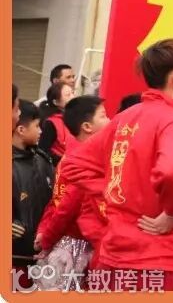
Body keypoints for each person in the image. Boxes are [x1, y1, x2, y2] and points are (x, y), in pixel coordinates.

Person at [60, 39, 173, 291]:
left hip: (113, 256)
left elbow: (71, 164)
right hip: (156, 260)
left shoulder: (124, 118)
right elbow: (170, 171)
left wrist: (114, 188)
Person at [36, 96, 111, 286]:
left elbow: (56, 202)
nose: (110, 121)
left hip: (67, 240)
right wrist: (47, 238)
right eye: (103, 116)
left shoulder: (69, 157)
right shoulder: (83, 162)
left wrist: (44, 232)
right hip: (77, 248)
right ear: (87, 127)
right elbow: (65, 206)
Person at [13, 100, 55, 280]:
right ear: (21, 130)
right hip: (14, 254)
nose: (41, 131)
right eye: (37, 126)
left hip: (40, 253)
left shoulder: (42, 160)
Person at [39, 82, 76, 162]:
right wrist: (61, 160)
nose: (73, 97)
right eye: (68, 95)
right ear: (56, 102)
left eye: (73, 93)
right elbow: (43, 150)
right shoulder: (51, 123)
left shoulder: (76, 118)